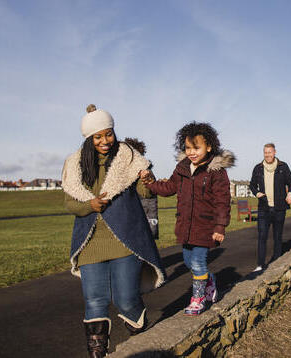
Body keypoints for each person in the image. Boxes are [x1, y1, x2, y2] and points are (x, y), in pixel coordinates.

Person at [62, 105, 165, 357]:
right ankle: (97, 352)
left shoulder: (128, 158)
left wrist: (148, 182)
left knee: (126, 299)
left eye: (108, 134)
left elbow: (145, 194)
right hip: (90, 242)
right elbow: (69, 203)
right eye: (98, 136)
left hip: (125, 239)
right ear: (89, 138)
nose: (104, 141)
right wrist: (90, 205)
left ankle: (138, 328)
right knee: (94, 300)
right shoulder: (75, 164)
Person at [142, 122, 234, 316]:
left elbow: (222, 201)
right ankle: (209, 280)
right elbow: (168, 188)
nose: (191, 152)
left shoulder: (216, 172)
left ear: (209, 147)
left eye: (196, 147)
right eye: (188, 148)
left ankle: (198, 299)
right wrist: (151, 183)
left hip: (206, 226)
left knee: (199, 263)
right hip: (185, 226)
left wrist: (220, 226)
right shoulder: (182, 167)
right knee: (188, 261)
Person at [249, 143, 291, 272]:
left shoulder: (283, 167)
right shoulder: (258, 168)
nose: (267, 155)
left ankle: (276, 263)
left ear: (274, 152)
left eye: (270, 152)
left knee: (277, 236)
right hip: (264, 208)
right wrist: (257, 193)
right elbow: (252, 185)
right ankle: (260, 265)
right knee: (262, 236)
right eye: (265, 152)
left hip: (279, 207)